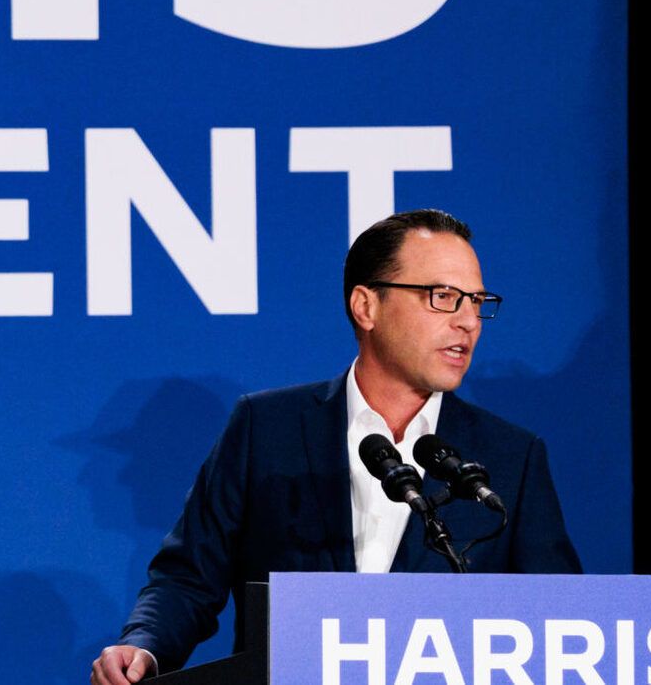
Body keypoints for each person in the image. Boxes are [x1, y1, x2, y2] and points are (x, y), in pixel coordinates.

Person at [91, 209, 581, 684]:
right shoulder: (266, 428)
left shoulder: (511, 458)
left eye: (477, 301)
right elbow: (188, 577)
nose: (469, 321)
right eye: (443, 296)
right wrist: (145, 645)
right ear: (366, 306)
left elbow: (561, 623)